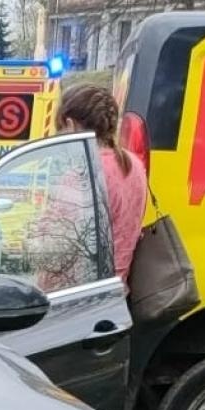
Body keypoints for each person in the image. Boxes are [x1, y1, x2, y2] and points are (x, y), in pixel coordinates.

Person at [56, 82, 148, 284]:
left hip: (78, 296)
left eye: (59, 130)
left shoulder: (82, 175)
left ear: (70, 125)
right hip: (116, 292)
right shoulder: (134, 165)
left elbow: (57, 250)